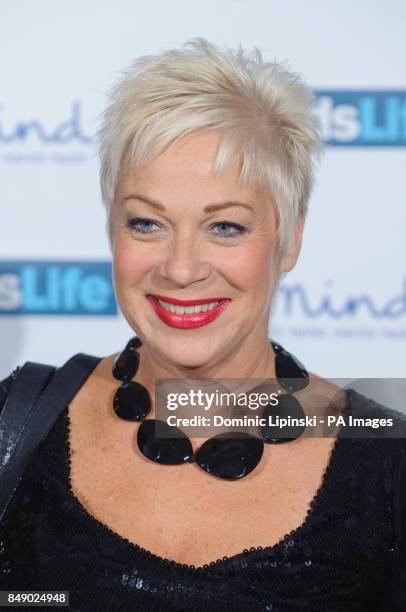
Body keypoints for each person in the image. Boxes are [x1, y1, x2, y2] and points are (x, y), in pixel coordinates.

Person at [0, 38, 405, 611]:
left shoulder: (387, 463)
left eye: (226, 228)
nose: (181, 268)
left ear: (289, 239)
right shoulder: (18, 418)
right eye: (146, 223)